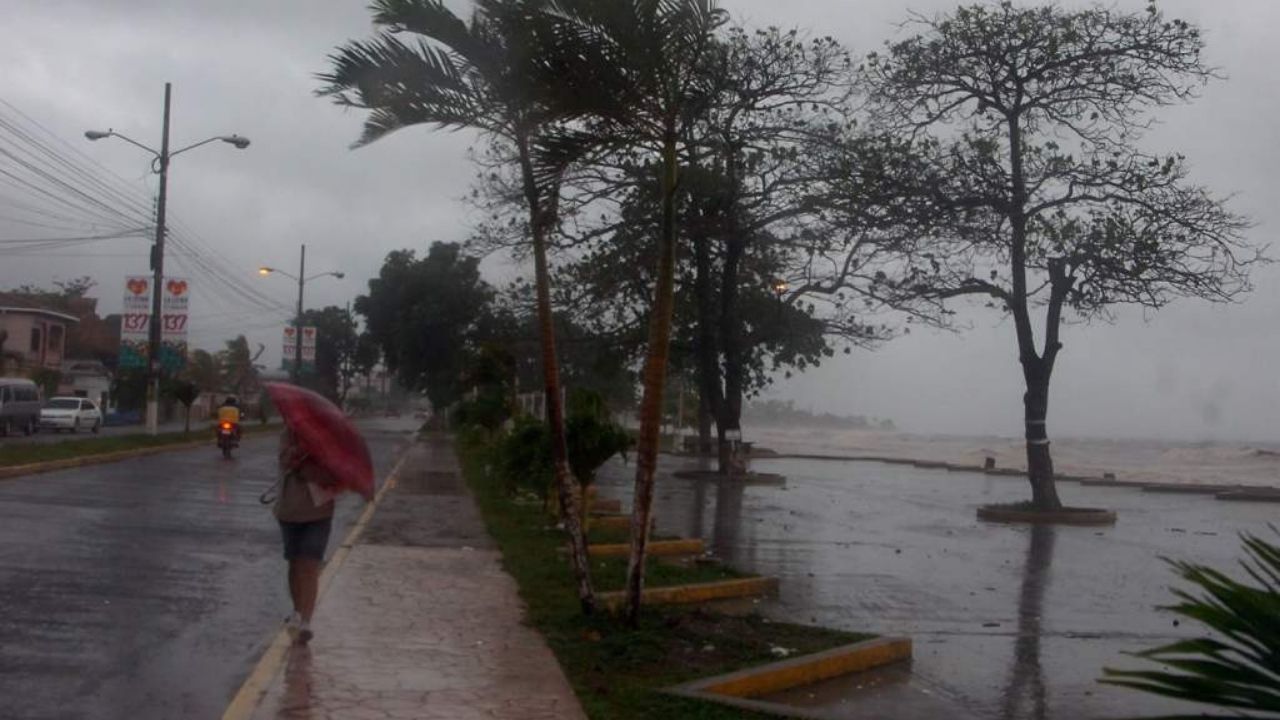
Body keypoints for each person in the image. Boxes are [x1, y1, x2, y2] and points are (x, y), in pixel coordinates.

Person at [274, 428, 336, 644]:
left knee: (309, 564)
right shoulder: (288, 435)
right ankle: (297, 611)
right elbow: (287, 460)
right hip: (289, 511)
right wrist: (304, 453)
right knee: (294, 563)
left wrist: (315, 459)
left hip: (320, 511)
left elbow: (330, 474)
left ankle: (306, 622)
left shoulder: (329, 441)